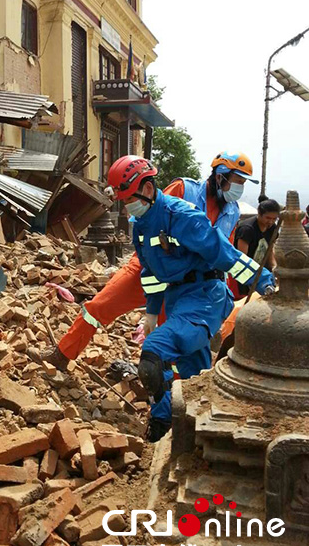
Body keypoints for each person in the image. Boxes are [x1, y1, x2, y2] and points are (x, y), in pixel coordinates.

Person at [28, 151, 258, 371]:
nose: (239, 188)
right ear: (220, 176)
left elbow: (224, 252)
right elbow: (152, 213)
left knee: (178, 341)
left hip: (190, 285)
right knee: (98, 307)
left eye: (243, 183)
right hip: (148, 266)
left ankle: (169, 392)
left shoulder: (233, 213)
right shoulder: (184, 189)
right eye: (237, 181)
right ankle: (62, 354)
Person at [105, 156, 275, 441]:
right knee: (193, 373)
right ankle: (163, 428)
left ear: (147, 189)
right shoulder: (142, 226)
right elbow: (150, 272)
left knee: (154, 353)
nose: (126, 206)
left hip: (204, 297)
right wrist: (151, 311)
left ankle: (172, 407)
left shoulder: (181, 216)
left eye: (127, 199)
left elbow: (224, 253)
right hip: (176, 299)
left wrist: (265, 281)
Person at [233, 196, 280, 296]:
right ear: (259, 214)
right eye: (268, 218)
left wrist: (274, 268)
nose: (271, 221)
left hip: (263, 273)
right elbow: (242, 257)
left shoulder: (272, 228)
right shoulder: (247, 229)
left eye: (274, 219)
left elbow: (270, 250)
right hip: (246, 273)